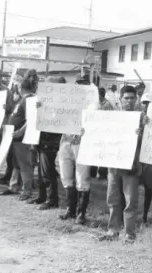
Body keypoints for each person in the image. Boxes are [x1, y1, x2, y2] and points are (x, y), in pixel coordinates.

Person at [98, 85, 143, 244]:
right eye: (126, 98)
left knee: (130, 202)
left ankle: (129, 234)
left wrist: (141, 134)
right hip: (114, 166)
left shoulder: (142, 119)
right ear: (120, 99)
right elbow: (102, 135)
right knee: (113, 200)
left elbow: (148, 144)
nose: (129, 101)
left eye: (132, 98)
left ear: (136, 99)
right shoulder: (113, 118)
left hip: (131, 167)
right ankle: (113, 230)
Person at [57, 76, 92, 225]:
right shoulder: (67, 102)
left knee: (82, 179)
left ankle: (81, 213)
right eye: (78, 84)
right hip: (65, 141)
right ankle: (70, 209)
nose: (80, 87)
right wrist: (40, 108)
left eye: (84, 85)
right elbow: (53, 115)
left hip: (83, 144)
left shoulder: (93, 104)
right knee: (66, 176)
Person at [27, 76, 63, 210]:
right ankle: (42, 196)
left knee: (48, 171)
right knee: (42, 171)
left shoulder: (60, 104)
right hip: (41, 139)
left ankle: (52, 199)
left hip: (50, 141)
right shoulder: (44, 101)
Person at [0, 78, 35, 201]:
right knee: (16, 164)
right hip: (14, 137)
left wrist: (21, 131)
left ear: (21, 88)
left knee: (24, 165)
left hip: (22, 138)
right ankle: (13, 186)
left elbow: (32, 119)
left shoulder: (29, 99)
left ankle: (27, 190)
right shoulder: (21, 100)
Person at [139, 93, 152, 224]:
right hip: (136, 157)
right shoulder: (136, 116)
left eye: (148, 103)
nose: (146, 105)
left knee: (148, 188)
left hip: (150, 157)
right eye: (144, 103)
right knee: (132, 186)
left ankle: (145, 215)